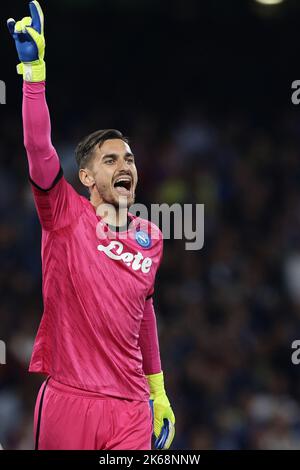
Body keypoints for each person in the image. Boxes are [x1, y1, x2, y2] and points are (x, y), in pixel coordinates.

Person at [7, 1, 175, 450]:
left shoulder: (151, 237)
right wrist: (34, 75)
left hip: (131, 408)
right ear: (86, 176)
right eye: (111, 159)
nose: (126, 165)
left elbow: (145, 317)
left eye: (130, 158)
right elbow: (38, 147)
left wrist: (158, 392)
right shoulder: (62, 212)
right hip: (69, 398)